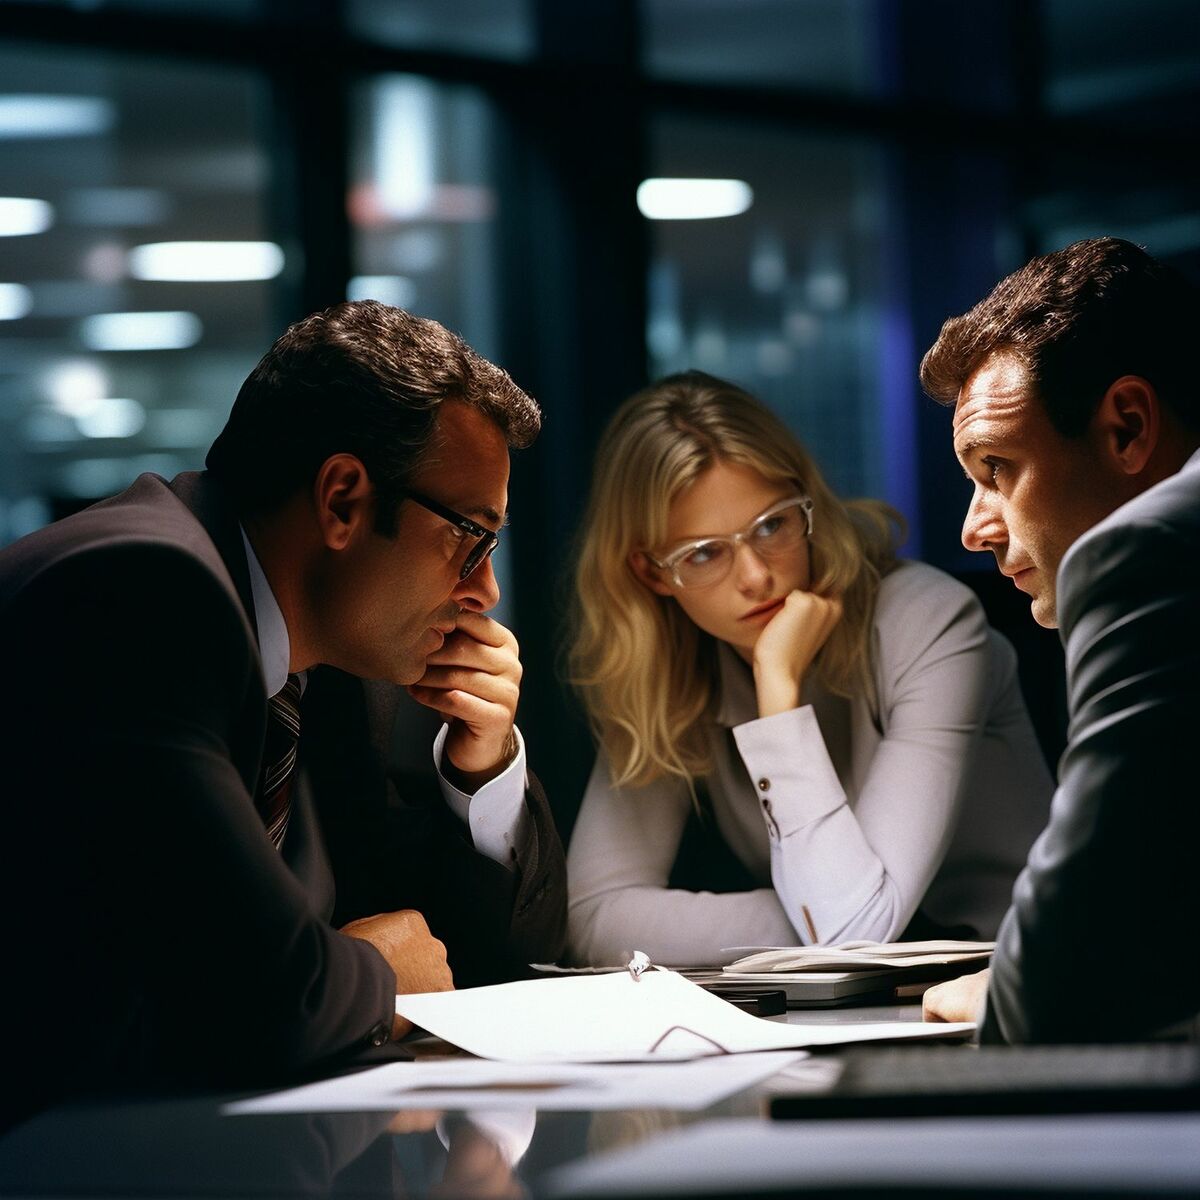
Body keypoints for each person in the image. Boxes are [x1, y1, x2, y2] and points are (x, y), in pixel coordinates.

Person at [0, 301, 566, 1128]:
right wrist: (376, 971)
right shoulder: (141, 592)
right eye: (469, 539)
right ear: (342, 499)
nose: (486, 592)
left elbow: (483, 968)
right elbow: (261, 994)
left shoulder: (327, 661)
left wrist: (478, 768)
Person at [565, 371, 1052, 966]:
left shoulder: (931, 622)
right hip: (846, 1009)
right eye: (704, 553)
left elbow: (850, 931)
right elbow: (592, 918)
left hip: (1016, 989)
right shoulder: (672, 664)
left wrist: (778, 691)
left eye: (772, 525)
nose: (755, 576)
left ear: (808, 508)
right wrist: (809, 912)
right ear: (651, 573)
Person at [918, 237, 1200, 1041]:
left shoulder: (1153, 555)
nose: (974, 528)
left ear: (1127, 428)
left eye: (997, 468)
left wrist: (1007, 985)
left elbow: (1056, 987)